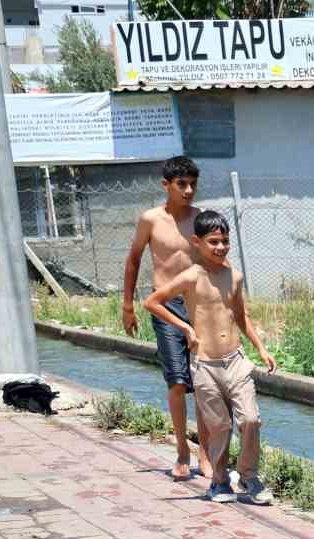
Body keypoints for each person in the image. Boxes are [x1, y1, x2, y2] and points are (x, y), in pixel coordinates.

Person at [144, 210, 276, 506]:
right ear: (197, 242)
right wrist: (185, 327)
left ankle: (247, 475)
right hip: (204, 365)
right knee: (220, 427)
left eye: (225, 241)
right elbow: (152, 302)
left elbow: (241, 315)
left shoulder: (235, 276)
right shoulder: (191, 276)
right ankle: (219, 482)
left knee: (251, 420)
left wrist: (261, 348)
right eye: (214, 241)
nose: (221, 247)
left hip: (236, 360)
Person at [124, 155, 213, 483]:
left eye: (192, 184)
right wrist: (127, 306)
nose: (188, 190)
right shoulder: (151, 219)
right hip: (165, 308)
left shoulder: (201, 218)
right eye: (181, 184)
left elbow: (215, 257)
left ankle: (205, 452)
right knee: (177, 382)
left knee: (204, 383)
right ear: (166, 186)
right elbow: (133, 260)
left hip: (199, 306)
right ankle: (181, 451)